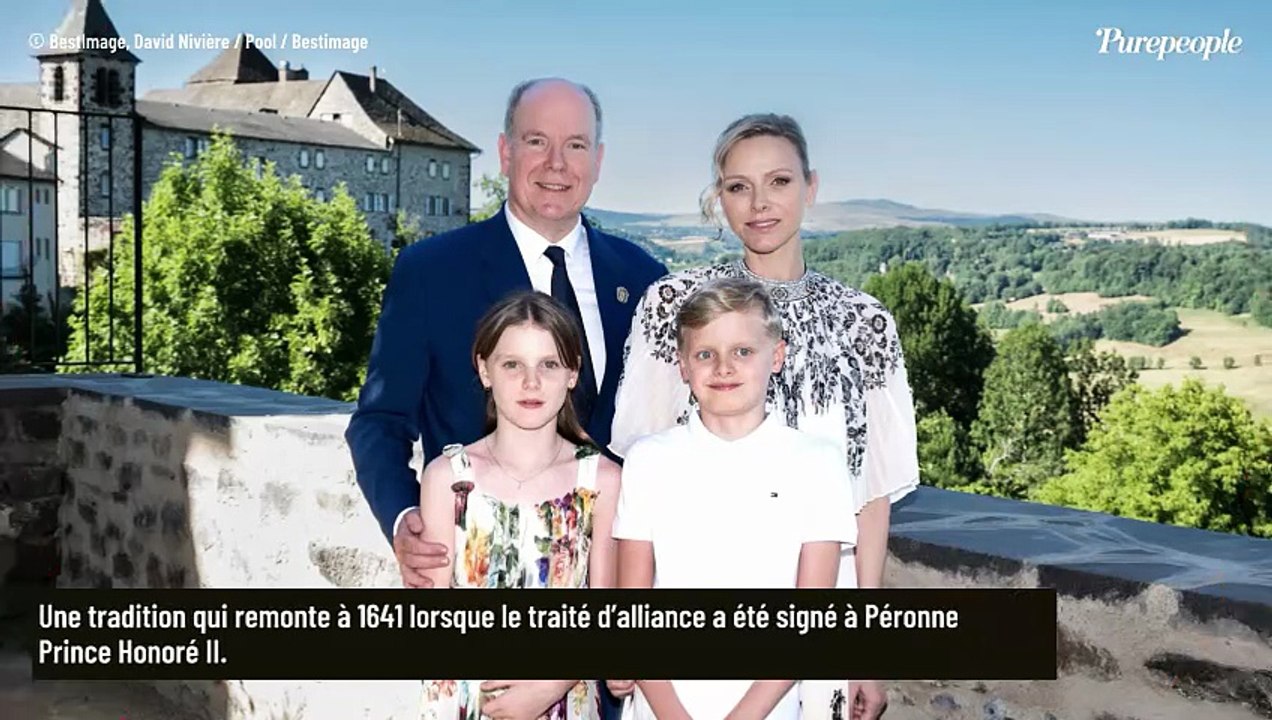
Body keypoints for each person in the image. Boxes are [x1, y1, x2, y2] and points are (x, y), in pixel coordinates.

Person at [607, 114, 920, 719]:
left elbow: (871, 494)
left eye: (778, 181)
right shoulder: (675, 306)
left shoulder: (865, 320)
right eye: (738, 186)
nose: (759, 204)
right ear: (718, 196)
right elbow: (637, 473)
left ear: (811, 186)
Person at [344, 77, 666, 589]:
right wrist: (407, 520)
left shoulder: (645, 280)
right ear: (504, 151)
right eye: (537, 141)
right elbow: (380, 421)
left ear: (598, 161)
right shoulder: (431, 272)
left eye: (575, 145)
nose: (556, 163)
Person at [610, 276, 857, 719]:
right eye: (705, 354)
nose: (723, 367)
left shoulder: (818, 463)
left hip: (769, 708)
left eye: (743, 351)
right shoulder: (649, 461)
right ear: (683, 366)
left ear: (776, 356)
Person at [418, 290, 622, 720]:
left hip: (565, 699)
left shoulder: (601, 479)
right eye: (513, 364)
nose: (531, 383)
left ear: (572, 374)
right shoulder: (448, 478)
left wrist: (549, 686)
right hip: (466, 702)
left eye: (549, 364)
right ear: (484, 370)